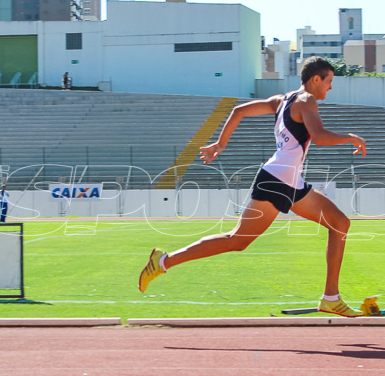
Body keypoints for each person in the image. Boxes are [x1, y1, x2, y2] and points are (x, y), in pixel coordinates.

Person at [137, 56, 367, 317]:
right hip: (278, 180)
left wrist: (220, 144)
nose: (330, 88)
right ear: (316, 79)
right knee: (237, 240)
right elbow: (319, 137)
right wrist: (351, 137)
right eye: (329, 81)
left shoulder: (281, 100)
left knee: (339, 224)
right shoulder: (306, 100)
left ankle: (330, 298)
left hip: (290, 182)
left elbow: (238, 111)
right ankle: (163, 262)